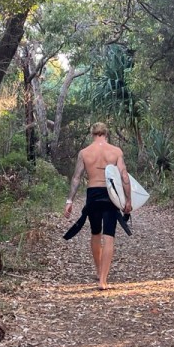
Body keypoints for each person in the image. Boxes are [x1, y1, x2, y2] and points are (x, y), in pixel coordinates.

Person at [64, 122, 132, 290]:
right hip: (111, 194)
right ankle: (103, 280)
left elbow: (76, 178)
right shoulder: (116, 151)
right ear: (106, 134)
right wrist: (128, 200)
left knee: (95, 232)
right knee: (109, 235)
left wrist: (69, 201)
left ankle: (97, 269)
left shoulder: (84, 153)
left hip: (93, 194)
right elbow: (124, 176)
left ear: (92, 134)